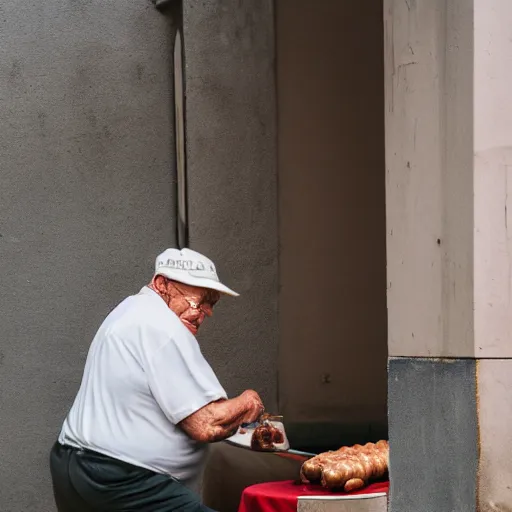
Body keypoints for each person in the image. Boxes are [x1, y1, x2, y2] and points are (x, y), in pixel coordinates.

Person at [50, 248, 265, 512]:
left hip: (74, 464)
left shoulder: (130, 310)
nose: (206, 312)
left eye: (212, 303)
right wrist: (249, 401)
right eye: (200, 300)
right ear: (162, 284)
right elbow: (207, 423)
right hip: (121, 477)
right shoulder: (163, 326)